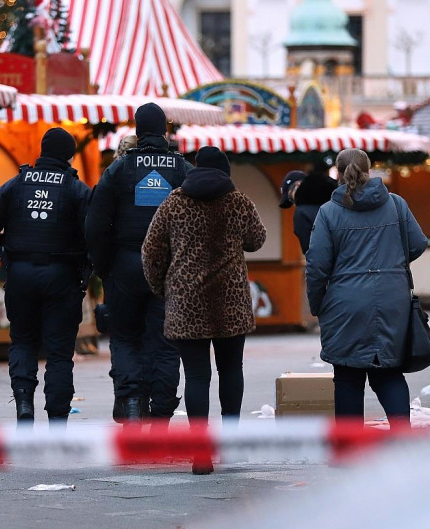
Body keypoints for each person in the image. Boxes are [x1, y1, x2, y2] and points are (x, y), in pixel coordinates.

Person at [142, 146, 266, 473]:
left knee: (196, 375)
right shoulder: (238, 202)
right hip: (230, 299)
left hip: (187, 301)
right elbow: (258, 240)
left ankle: (200, 454)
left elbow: (150, 252)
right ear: (225, 172)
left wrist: (163, 289)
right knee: (231, 370)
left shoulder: (173, 203)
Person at [0, 127, 92, 427]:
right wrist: (97, 271)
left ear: (42, 152)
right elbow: (95, 234)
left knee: (22, 342)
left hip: (19, 274)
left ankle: (24, 405)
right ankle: (57, 419)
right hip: (62, 277)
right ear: (70, 156)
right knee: (59, 352)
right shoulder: (76, 189)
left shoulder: (16, 185)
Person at [85, 102, 192, 422]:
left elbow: (96, 223)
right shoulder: (181, 169)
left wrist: (105, 268)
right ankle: (160, 414)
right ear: (164, 129)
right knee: (165, 343)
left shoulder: (119, 169)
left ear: (137, 129)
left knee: (126, 337)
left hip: (126, 264)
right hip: (168, 269)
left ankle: (131, 403)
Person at [305, 148, 427, 429]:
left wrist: (317, 304)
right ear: (369, 170)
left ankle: (350, 449)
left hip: (345, 303)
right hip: (393, 299)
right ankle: (402, 440)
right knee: (390, 373)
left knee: (348, 375)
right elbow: (418, 243)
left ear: (337, 172)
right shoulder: (396, 204)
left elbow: (317, 266)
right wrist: (393, 262)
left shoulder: (329, 212)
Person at [278, 166, 337, 255]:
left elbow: (312, 253)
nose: (294, 204)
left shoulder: (302, 213)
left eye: (291, 198)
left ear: (297, 186)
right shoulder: (338, 198)